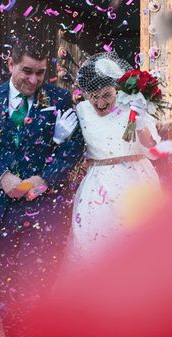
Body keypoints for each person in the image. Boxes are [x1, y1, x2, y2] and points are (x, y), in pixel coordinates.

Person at [0, 34, 83, 337]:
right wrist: (1, 176)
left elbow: (72, 149)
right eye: (27, 71)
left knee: (35, 287)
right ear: (11, 64)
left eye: (41, 73)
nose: (33, 80)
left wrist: (44, 178)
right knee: (3, 289)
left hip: (42, 212)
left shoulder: (59, 99)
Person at [62, 53, 163, 262]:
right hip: (99, 187)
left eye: (106, 95)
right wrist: (59, 139)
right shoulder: (81, 110)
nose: (99, 102)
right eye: (93, 96)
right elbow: (70, 148)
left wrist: (141, 122)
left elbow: (153, 150)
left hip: (136, 181)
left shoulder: (133, 106)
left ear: (116, 89)